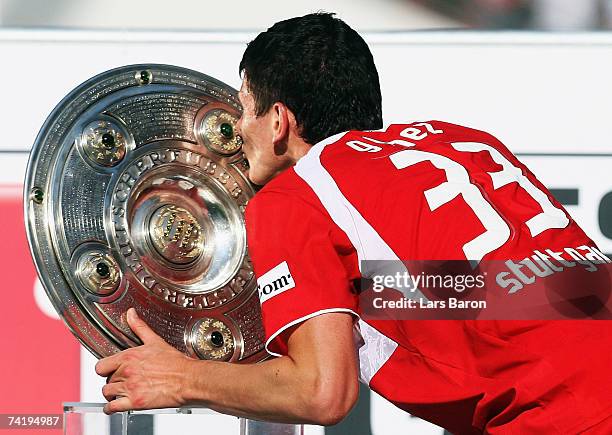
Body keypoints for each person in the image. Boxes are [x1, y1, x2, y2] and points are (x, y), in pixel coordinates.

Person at [95, 13, 612, 433]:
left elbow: (323, 393)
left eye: (245, 107)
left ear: (278, 122)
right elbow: (544, 287)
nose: (240, 128)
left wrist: (182, 376)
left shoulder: (294, 197)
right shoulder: (464, 141)